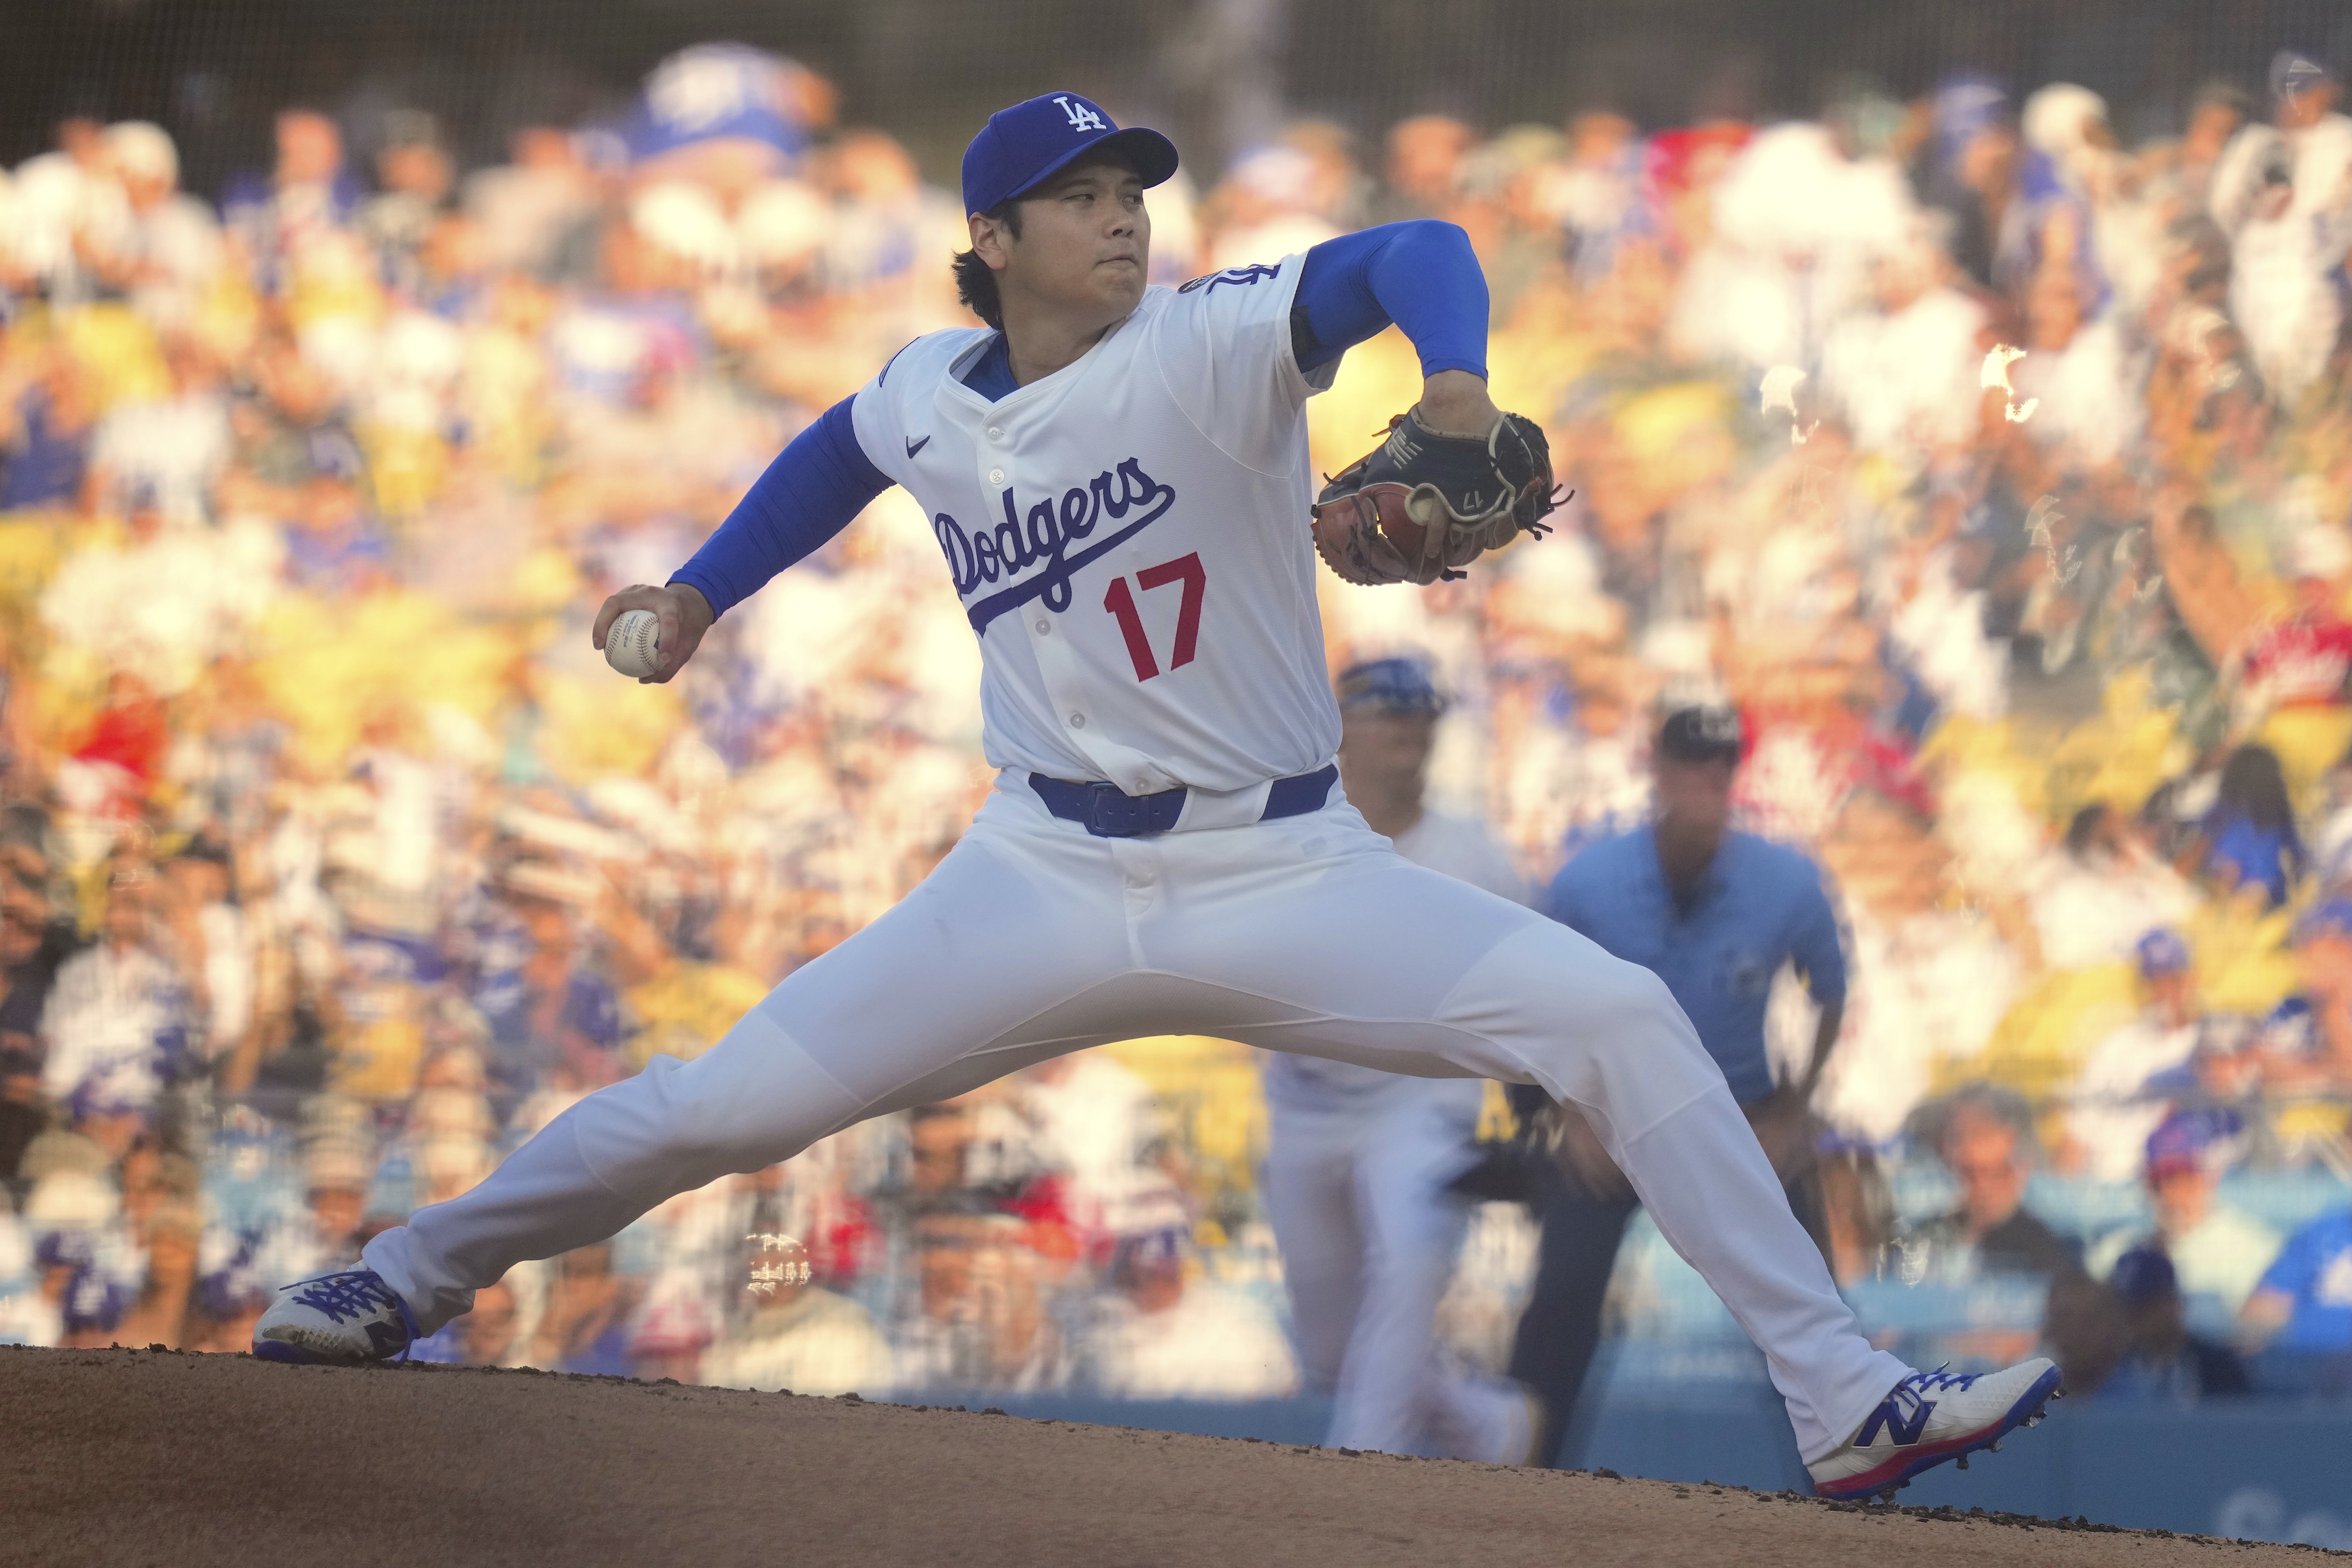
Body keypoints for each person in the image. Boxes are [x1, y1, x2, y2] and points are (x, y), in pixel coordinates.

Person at [254, 90, 2057, 1503]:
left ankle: (1838, 1396)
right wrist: (697, 593)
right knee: (716, 1101)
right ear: (994, 239)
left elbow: (1411, 245)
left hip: (1281, 863)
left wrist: (1449, 387)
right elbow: (837, 450)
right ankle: (396, 1277)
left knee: (1615, 1016)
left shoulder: (1204, 343)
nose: (1124, 213)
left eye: (1135, 185)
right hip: (1034, 875)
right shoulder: (926, 395)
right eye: (1083, 192)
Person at [1505, 703, 1861, 1468]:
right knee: (1561, 1305)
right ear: (1657, 768)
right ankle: (1518, 1490)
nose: (1708, 776)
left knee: (1809, 1314)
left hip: (1738, 1113)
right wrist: (1568, 1114)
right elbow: (1533, 998)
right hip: (1615, 1112)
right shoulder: (1589, 879)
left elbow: (1831, 989)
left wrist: (1796, 1111)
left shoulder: (1787, 879)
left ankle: (1859, 1502)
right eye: (1691, 760)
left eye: (1722, 762)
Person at [1261, 655, 1537, 1461]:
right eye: (1388, 708)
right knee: (1333, 1356)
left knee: (1409, 1268)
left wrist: (1529, 1115)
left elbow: (1534, 990)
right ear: (1339, 724)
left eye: (1423, 710)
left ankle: (1353, 1489)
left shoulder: (1479, 857)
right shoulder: (1287, 836)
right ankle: (1485, 1424)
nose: (1410, 724)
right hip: (1305, 1101)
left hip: (1421, 1100)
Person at [2088, 1109, 2281, 1313]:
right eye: (2157, 1184)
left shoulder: (2256, 1250)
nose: (2171, 1195)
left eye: (2184, 1180)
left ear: (2211, 1177)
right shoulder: (2115, 1252)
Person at [1901, 1085, 2081, 1281]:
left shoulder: (2045, 1242)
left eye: (1981, 1136)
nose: (1966, 1152)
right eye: (1956, 1138)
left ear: (2014, 1141)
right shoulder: (1928, 1235)